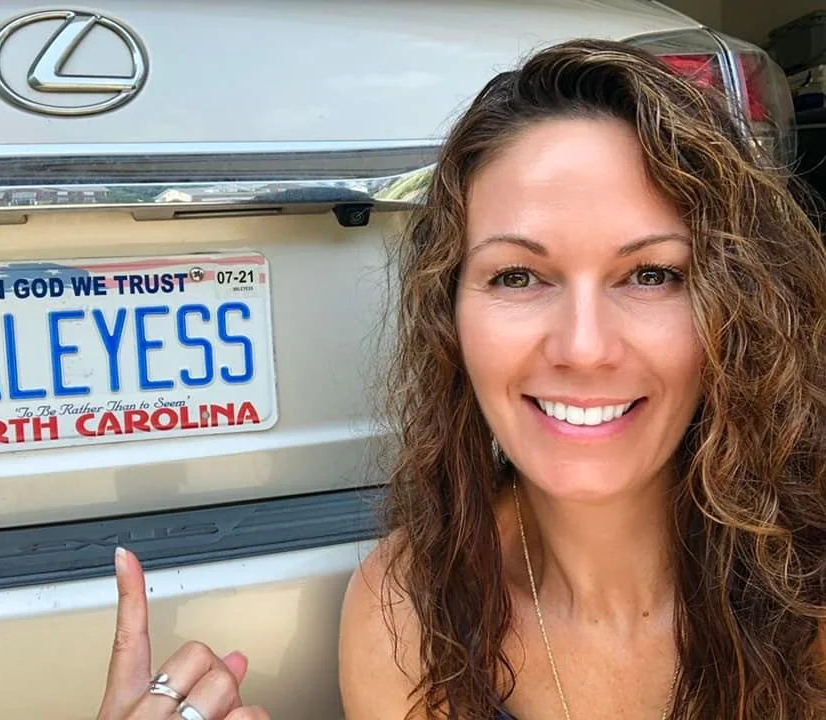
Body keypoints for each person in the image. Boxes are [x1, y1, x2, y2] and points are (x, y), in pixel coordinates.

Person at [96, 39, 826, 720]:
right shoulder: (410, 609)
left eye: (650, 275)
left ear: (737, 308)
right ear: (451, 317)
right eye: (517, 275)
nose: (582, 346)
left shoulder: (809, 590)